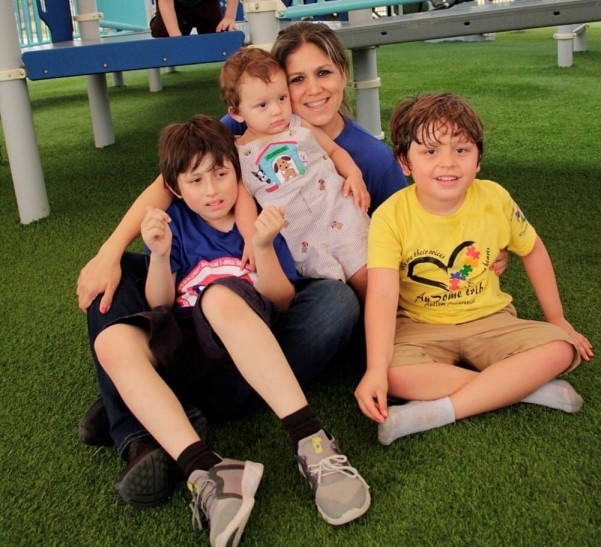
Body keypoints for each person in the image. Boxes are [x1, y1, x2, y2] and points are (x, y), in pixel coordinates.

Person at [76, 22, 408, 507]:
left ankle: (147, 402)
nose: (310, 90)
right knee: (122, 279)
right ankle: (141, 435)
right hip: (220, 291)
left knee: (334, 305)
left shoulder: (367, 155)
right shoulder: (247, 124)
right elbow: (173, 180)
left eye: (324, 73)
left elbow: (408, 232)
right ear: (272, 85)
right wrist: (108, 252)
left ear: (343, 74)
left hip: (290, 291)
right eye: (296, 80)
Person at [95, 115, 370, 545]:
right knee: (112, 339)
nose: (212, 190)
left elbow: (281, 301)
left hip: (244, 332)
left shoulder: (256, 222)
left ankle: (313, 445)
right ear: (175, 189)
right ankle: (208, 472)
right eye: (196, 180)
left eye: (221, 175)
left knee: (224, 296)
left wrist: (261, 247)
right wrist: (161, 256)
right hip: (187, 342)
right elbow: (160, 305)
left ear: (236, 173)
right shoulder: (177, 227)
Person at [355, 92, 593, 445]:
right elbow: (383, 292)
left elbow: (534, 250)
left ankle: (439, 411)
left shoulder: (495, 197)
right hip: (421, 326)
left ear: (479, 159)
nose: (448, 163)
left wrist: (556, 318)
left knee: (561, 348)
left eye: (462, 150)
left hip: (491, 319)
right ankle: (526, 389)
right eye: (430, 151)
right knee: (394, 376)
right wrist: (375, 369)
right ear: (405, 162)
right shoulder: (390, 215)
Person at [220, 47, 371, 303]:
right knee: (334, 293)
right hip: (301, 236)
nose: (277, 111)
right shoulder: (238, 152)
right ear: (236, 112)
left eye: (282, 98)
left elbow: (334, 151)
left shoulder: (299, 124)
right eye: (262, 105)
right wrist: (250, 238)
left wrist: (354, 175)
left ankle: (392, 325)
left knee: (367, 277)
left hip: (338, 211)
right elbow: (243, 199)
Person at [150, 0, 238, 37]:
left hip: (204, 2)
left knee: (219, 32)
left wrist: (229, 17)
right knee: (164, 33)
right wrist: (175, 35)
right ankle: (158, 16)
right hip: (176, 4)